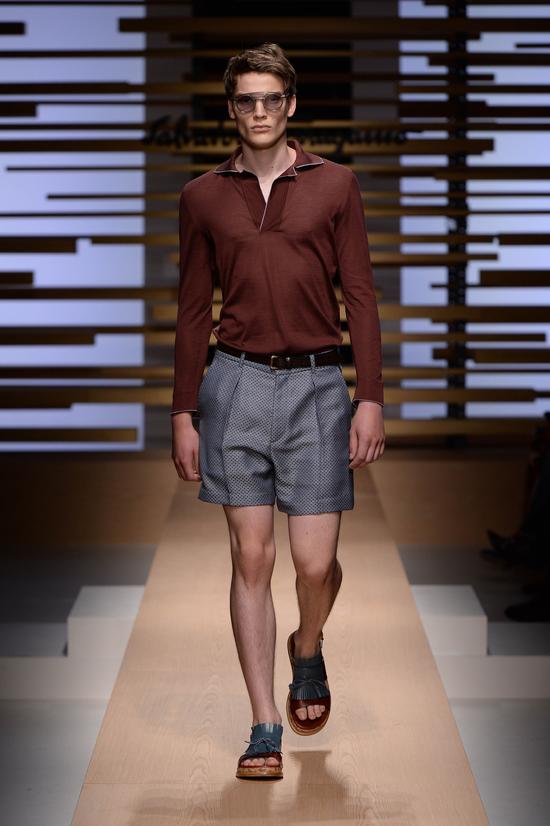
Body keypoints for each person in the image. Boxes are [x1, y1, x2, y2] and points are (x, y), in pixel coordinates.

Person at [170, 42, 385, 780]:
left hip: (317, 386)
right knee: (252, 557)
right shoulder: (202, 196)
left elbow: (361, 296)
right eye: (246, 100)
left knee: (315, 565)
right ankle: (264, 724)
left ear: (290, 104)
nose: (259, 111)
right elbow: (192, 309)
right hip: (234, 383)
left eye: (271, 98)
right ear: (231, 108)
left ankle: (307, 645)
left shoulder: (336, 185)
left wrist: (370, 397)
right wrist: (183, 410)